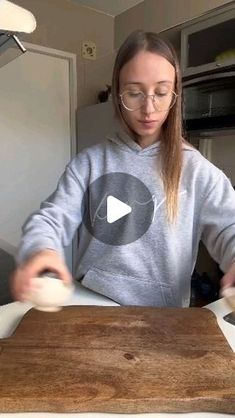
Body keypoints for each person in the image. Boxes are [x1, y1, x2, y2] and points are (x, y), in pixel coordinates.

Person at [11, 30, 235, 306]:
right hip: (89, 306)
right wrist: (40, 251)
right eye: (134, 93)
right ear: (117, 94)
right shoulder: (89, 164)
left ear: (175, 95)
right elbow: (50, 219)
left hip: (162, 319)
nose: (149, 108)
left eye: (162, 92)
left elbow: (230, 227)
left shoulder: (198, 170)